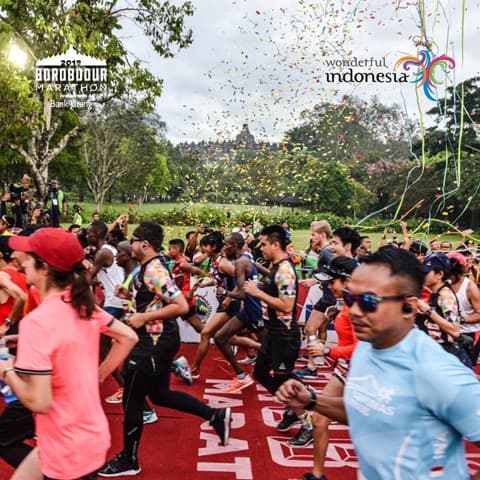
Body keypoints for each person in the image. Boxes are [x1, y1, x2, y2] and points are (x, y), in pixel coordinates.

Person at [276, 247, 480, 480]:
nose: (353, 311)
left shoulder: (436, 370)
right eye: (351, 298)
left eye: (369, 301)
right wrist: (312, 400)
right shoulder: (366, 348)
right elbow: (365, 408)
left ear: (409, 307)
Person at [0, 228, 138, 480]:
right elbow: (127, 337)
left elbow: (39, 402)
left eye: (27, 257)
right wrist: (98, 377)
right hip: (84, 436)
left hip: (66, 449)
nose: (19, 261)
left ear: (44, 269)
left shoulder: (38, 322)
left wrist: (6, 370)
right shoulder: (81, 303)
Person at [98, 222, 232, 477]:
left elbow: (180, 305)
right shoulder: (148, 268)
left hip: (154, 341)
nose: (130, 244)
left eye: (134, 240)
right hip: (157, 339)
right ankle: (215, 415)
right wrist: (130, 296)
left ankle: (129, 459)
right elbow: (155, 299)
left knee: (131, 399)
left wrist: (143, 319)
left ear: (145, 244)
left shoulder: (154, 269)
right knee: (158, 395)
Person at [298, 256, 358, 480]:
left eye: (333, 281)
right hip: (345, 370)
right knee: (319, 418)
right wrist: (338, 312)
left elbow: (363, 349)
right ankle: (317, 474)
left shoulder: (361, 305)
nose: (329, 287)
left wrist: (327, 351)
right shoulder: (349, 301)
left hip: (362, 373)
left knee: (366, 425)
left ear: (348, 279)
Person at [243, 225, 301, 433]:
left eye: (265, 244)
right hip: (273, 331)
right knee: (260, 372)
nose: (261, 248)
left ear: (276, 245)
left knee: (283, 377)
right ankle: (294, 407)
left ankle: (306, 418)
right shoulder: (274, 265)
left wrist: (258, 294)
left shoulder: (284, 270)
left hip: (284, 333)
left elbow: (286, 305)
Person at [213, 233, 263, 393]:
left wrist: (225, 292)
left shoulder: (241, 263)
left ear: (234, 246)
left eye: (226, 244)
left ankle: (294, 385)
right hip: (248, 310)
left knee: (271, 349)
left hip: (253, 311)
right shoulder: (246, 257)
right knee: (220, 337)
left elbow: (241, 294)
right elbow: (262, 271)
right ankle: (241, 375)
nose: (223, 248)